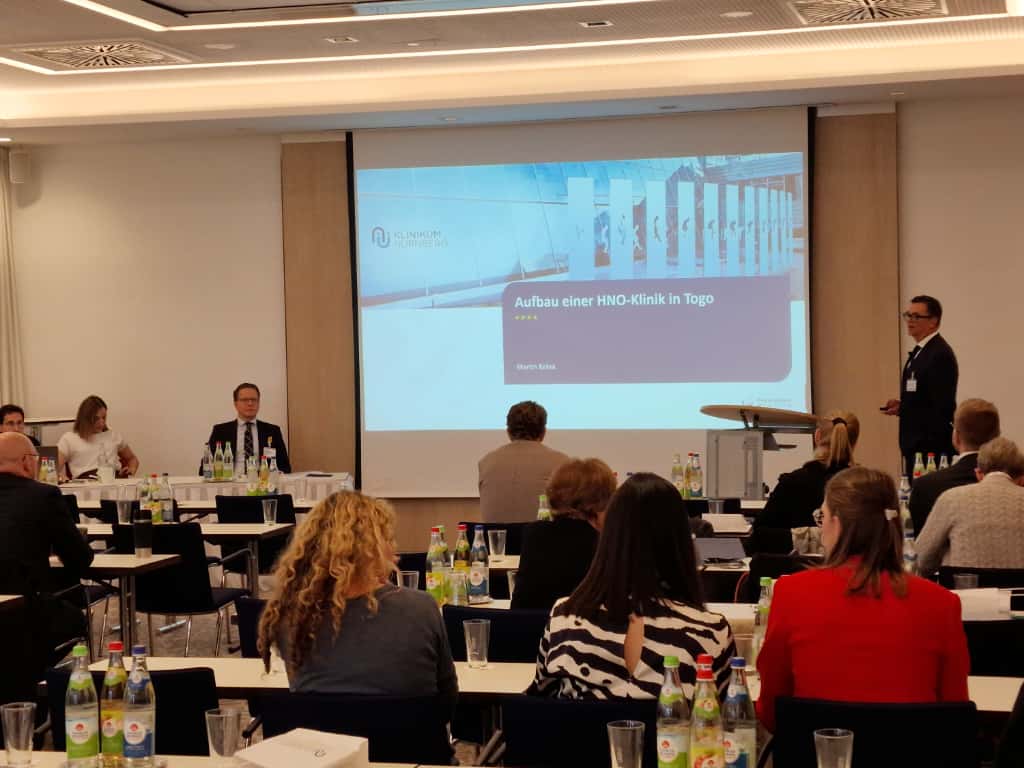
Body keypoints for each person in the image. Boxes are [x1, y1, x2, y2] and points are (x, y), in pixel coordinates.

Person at [756, 466, 969, 733]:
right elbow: (954, 714)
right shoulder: (942, 604)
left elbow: (771, 711)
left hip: (817, 751)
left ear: (836, 523)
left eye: (822, 517)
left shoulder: (791, 593)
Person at [532, 473, 735, 701]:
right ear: (681, 542)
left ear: (609, 536)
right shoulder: (710, 631)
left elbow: (540, 704)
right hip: (670, 726)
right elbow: (726, 715)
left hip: (582, 727)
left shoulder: (564, 616)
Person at [257, 490, 457, 712]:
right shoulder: (421, 608)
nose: (396, 551)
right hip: (411, 735)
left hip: (320, 735)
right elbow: (447, 702)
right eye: (389, 539)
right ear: (373, 551)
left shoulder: (292, 618)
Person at [0, 432, 95, 669]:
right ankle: (39, 677)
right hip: (25, 616)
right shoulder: (43, 495)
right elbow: (79, 559)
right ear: (26, 461)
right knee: (74, 618)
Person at [511, 457, 616, 611]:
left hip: (527, 625)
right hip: (577, 625)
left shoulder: (534, 533)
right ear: (602, 500)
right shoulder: (603, 540)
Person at [916, 437, 1024, 572]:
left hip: (964, 585)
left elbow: (920, 559)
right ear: (1022, 479)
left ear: (978, 474)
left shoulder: (951, 498)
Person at [883, 295, 958, 479]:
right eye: (908, 315)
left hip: (929, 449)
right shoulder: (921, 352)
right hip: (915, 446)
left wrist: (907, 409)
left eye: (916, 316)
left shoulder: (939, 354)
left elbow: (941, 407)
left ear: (933, 321)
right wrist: (902, 406)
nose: (910, 320)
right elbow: (923, 397)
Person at [753, 410, 859, 530]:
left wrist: (803, 537)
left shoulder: (791, 483)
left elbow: (760, 534)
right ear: (853, 443)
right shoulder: (863, 488)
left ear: (817, 436)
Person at [909, 398, 1000, 535]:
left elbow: (918, 542)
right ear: (997, 437)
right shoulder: (1015, 482)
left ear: (956, 436)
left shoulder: (926, 486)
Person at [478, 401, 569, 523]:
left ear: (508, 432)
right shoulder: (562, 462)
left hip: (497, 536)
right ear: (543, 432)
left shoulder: (486, 462)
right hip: (542, 535)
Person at [205, 383, 291, 474]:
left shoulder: (272, 431)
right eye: (244, 400)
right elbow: (206, 466)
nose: (250, 403)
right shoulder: (220, 431)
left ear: (259, 403)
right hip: (231, 481)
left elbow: (285, 467)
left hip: (262, 481)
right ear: (235, 404)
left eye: (254, 400)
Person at [57, 395, 139, 480]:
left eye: (104, 418)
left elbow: (132, 459)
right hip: (87, 483)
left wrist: (131, 470)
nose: (101, 423)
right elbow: (52, 470)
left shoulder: (113, 435)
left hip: (114, 480)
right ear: (85, 419)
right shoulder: (69, 439)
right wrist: (61, 477)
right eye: (96, 419)